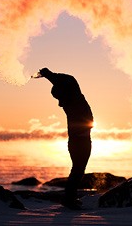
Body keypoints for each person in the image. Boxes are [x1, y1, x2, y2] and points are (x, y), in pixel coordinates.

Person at [38, 67, 93, 210]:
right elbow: (69, 81)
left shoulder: (72, 98)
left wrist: (48, 75)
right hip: (80, 141)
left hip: (80, 141)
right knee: (78, 170)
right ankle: (69, 199)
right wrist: (49, 74)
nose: (59, 101)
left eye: (59, 97)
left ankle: (70, 198)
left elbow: (67, 81)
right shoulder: (74, 99)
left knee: (78, 170)